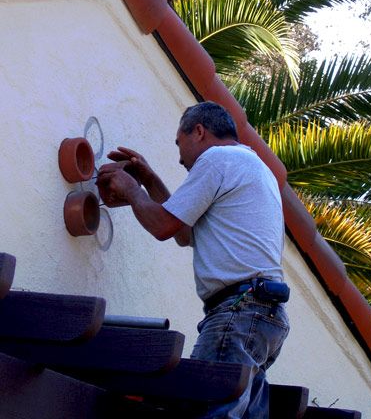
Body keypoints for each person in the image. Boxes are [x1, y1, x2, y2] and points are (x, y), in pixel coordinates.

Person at [96, 101, 289, 418]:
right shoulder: (250, 166)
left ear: (199, 131)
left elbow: (162, 226)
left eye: (179, 143)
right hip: (262, 316)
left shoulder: (217, 159)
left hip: (238, 312)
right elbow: (182, 232)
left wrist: (131, 189)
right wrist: (148, 180)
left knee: (202, 405)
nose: (180, 157)